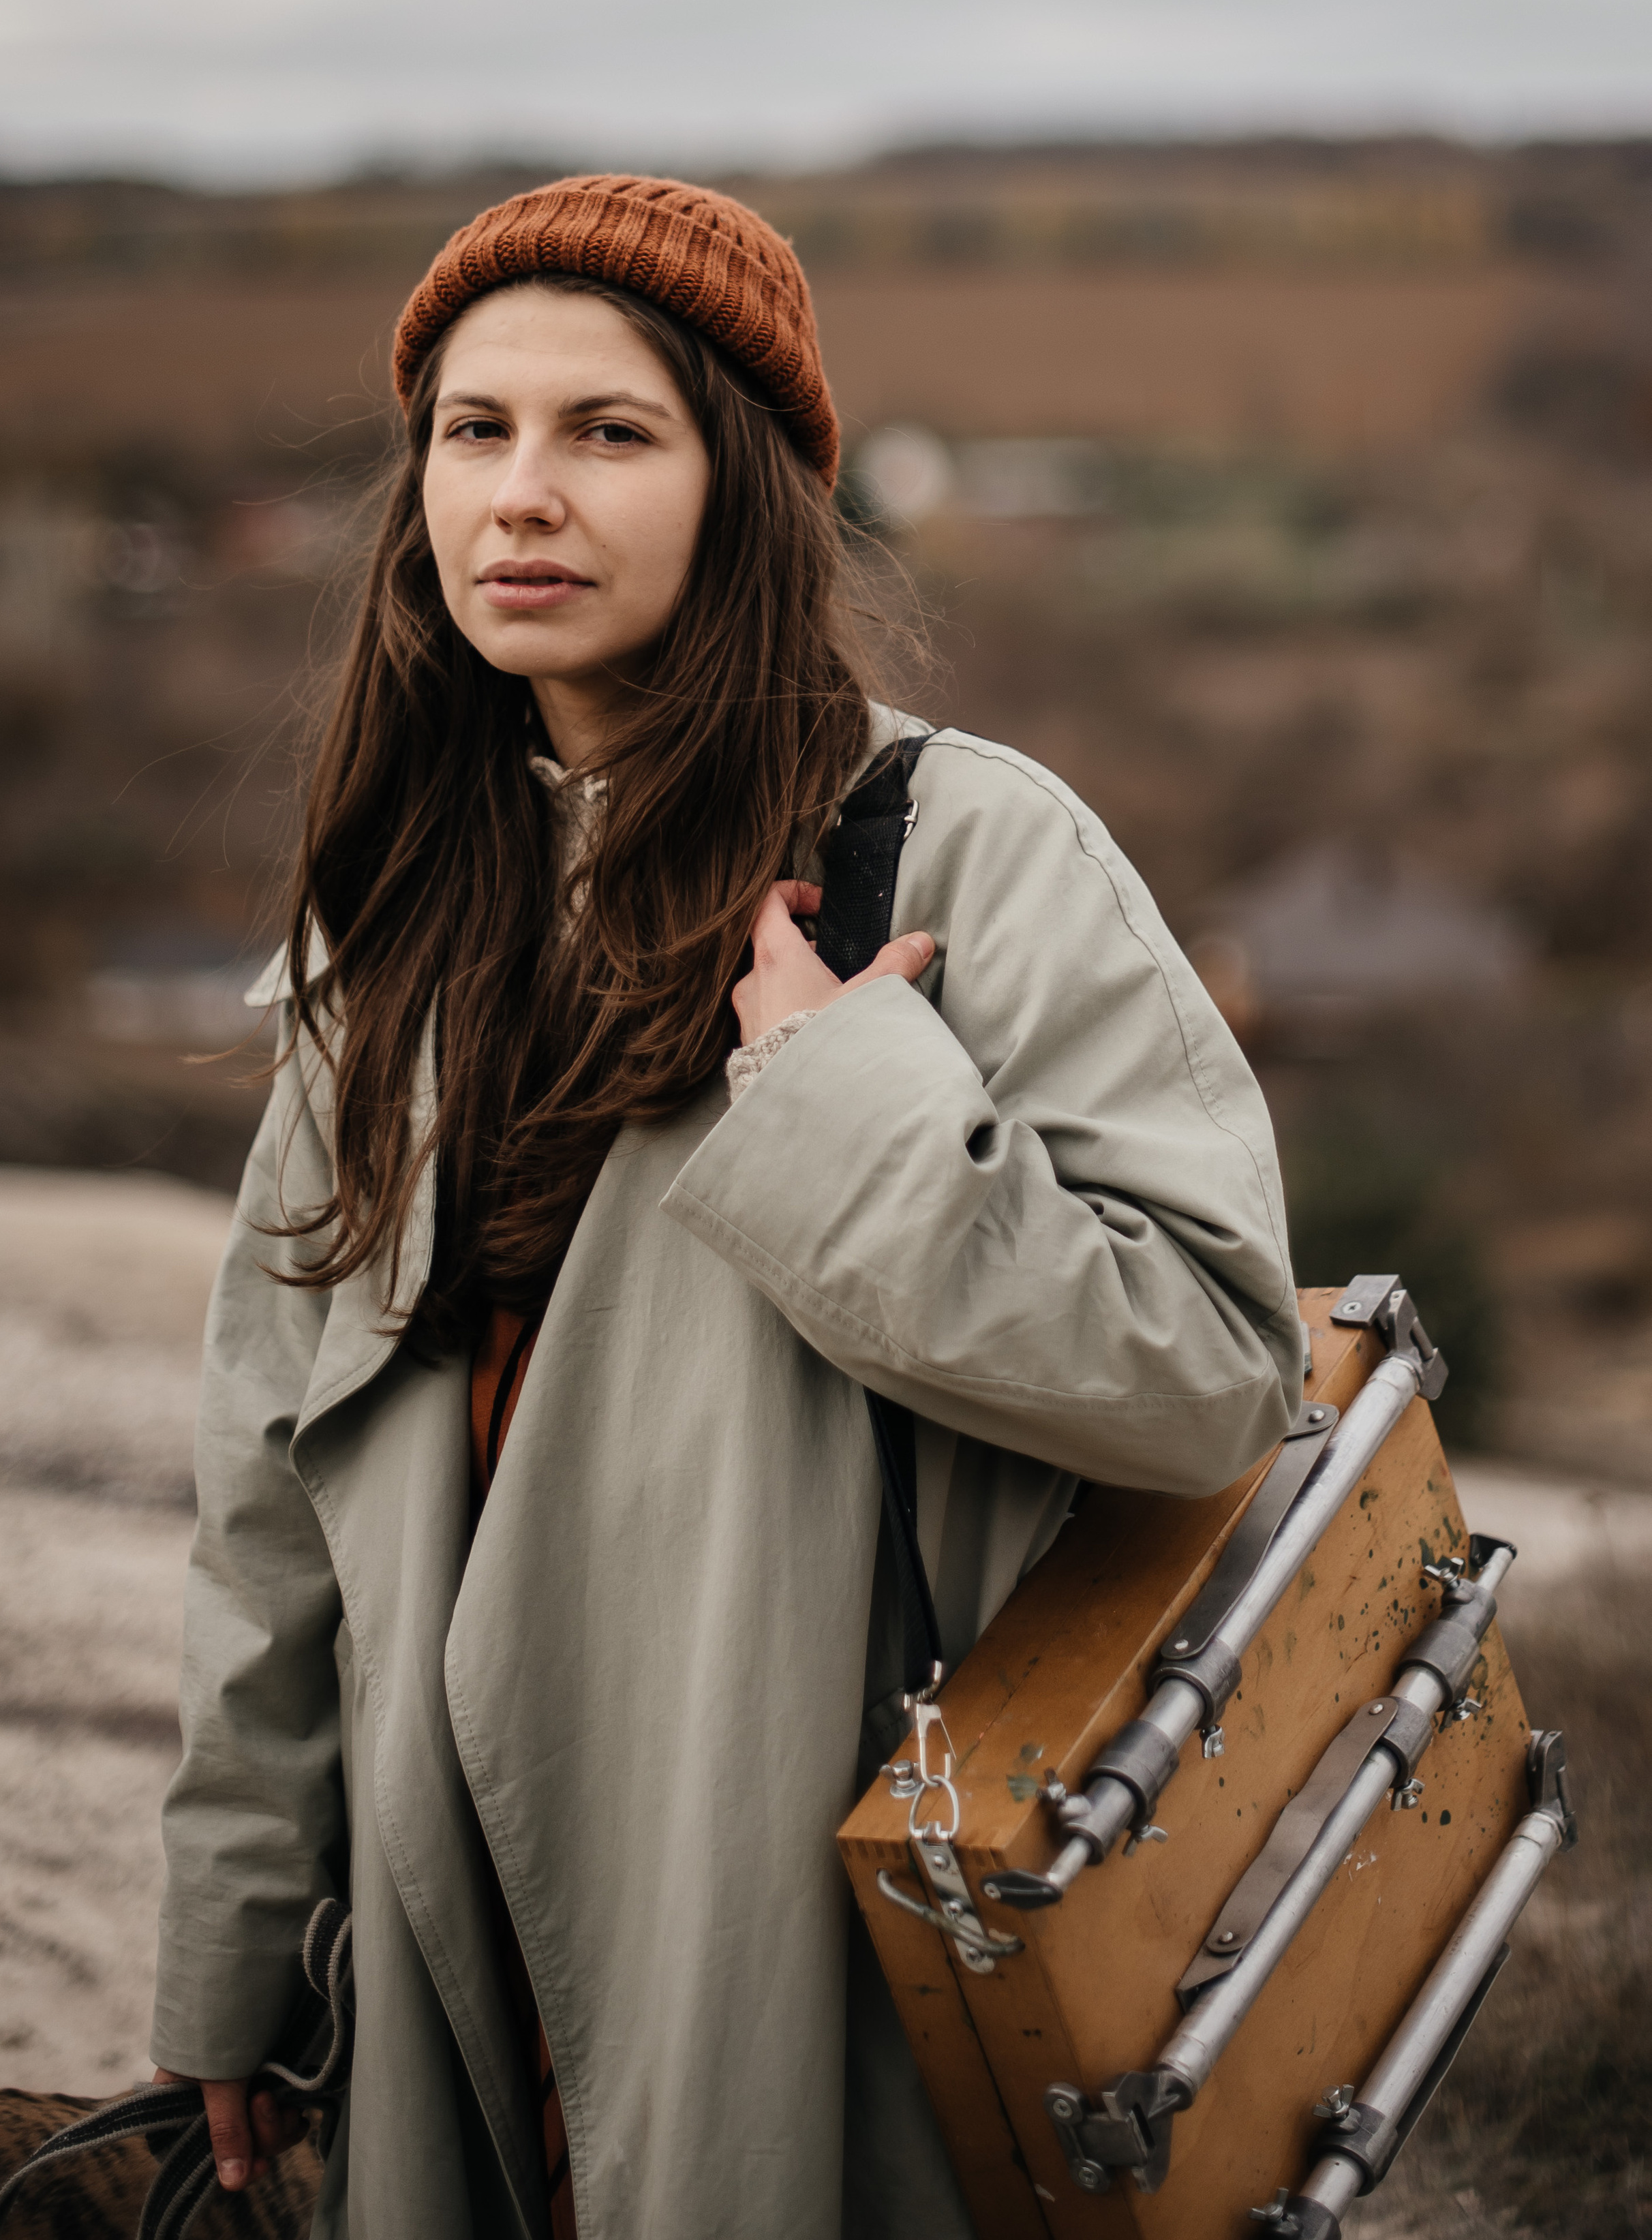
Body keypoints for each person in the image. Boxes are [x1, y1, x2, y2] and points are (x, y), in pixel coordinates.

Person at [149, 175, 1302, 2240]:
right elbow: (270, 1481)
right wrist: (235, 1931)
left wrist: (848, 1103)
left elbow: (1207, 1373)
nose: (523, 491)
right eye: (473, 428)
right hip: (445, 1942)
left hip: (776, 1901)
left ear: (743, 485)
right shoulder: (399, 923)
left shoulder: (966, 848)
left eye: (612, 431)